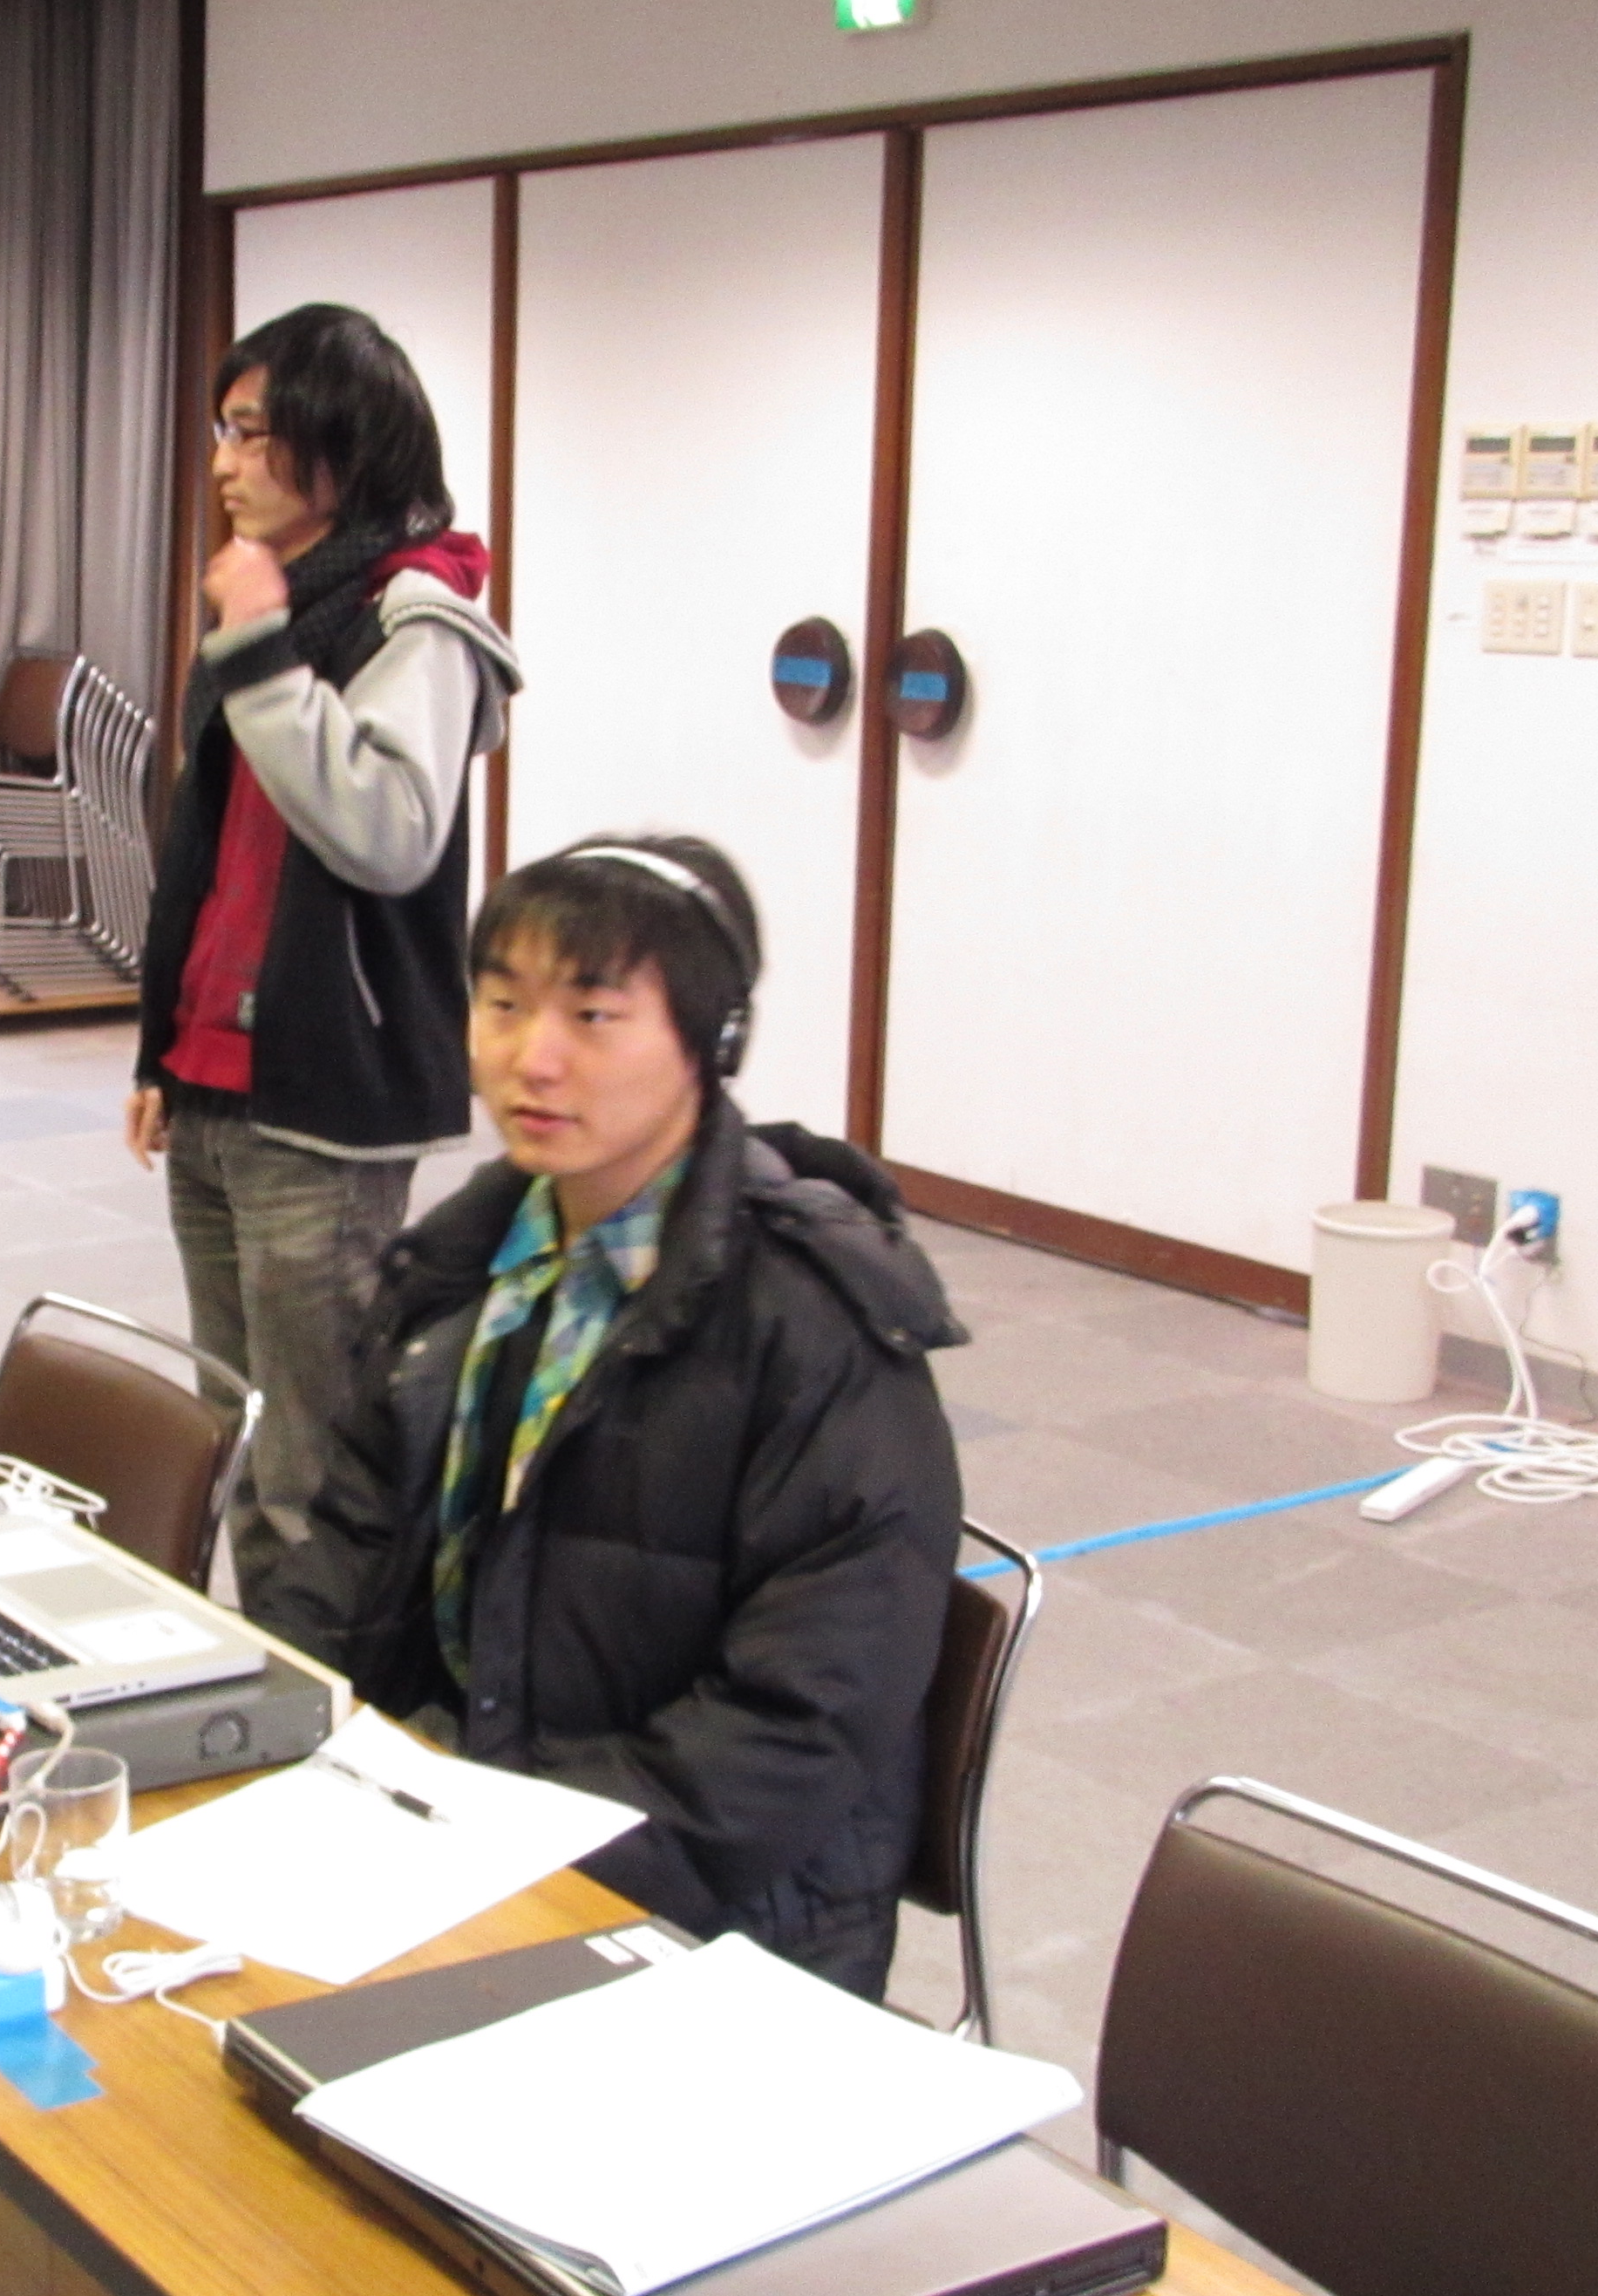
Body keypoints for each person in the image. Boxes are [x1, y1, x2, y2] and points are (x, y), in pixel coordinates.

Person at [260, 835, 969, 1998]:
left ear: (713, 1043)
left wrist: (508, 1865)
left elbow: (797, 1727)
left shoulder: (817, 1325)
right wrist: (266, 1733)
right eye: (502, 1005)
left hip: (712, 1920)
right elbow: (349, 1548)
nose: (531, 1059)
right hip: (461, 1829)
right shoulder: (466, 1261)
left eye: (593, 1017)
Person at [126, 303, 520, 1604]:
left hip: (322, 1099)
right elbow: (211, 857)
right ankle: (270, 1677)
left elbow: (385, 830)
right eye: (221, 432)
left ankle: (332, 1700)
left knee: (313, 1470)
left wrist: (256, 643)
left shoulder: (418, 617)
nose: (223, 464)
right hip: (215, 1082)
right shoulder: (274, 601)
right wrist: (160, 1052)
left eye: (252, 433)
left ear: (339, 446)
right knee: (234, 1434)